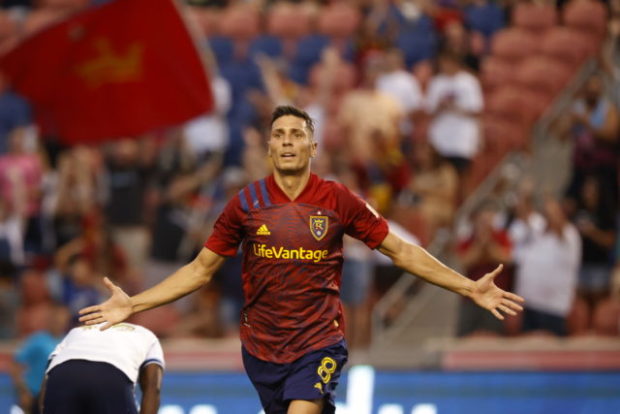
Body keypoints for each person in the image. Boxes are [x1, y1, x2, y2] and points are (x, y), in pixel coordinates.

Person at [79, 105, 524, 414]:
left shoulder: (337, 200)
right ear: (269, 148)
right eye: (279, 135)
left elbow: (401, 251)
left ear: (313, 148)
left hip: (319, 343)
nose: (288, 141)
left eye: (297, 135)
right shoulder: (245, 204)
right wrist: (133, 303)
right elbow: (200, 270)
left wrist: (468, 286)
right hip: (261, 350)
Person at [40, 322, 164, 414]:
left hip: (61, 375)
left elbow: (48, 377)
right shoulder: (148, 336)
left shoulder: (77, 331)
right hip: (110, 375)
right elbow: (153, 387)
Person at [10, 303, 70, 414]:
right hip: (34, 393)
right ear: (50, 319)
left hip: (54, 395)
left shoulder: (67, 340)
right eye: (56, 319)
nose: (60, 322)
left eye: (63, 319)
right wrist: (23, 392)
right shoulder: (37, 339)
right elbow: (16, 365)